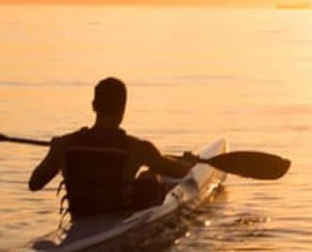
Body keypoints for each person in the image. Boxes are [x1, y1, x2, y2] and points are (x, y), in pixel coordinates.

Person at [28, 77, 201, 217]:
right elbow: (179, 172)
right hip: (118, 217)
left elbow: (34, 184)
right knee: (150, 177)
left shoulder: (64, 145)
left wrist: (54, 152)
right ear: (123, 108)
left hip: (81, 217)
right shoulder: (138, 149)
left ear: (94, 106)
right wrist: (188, 162)